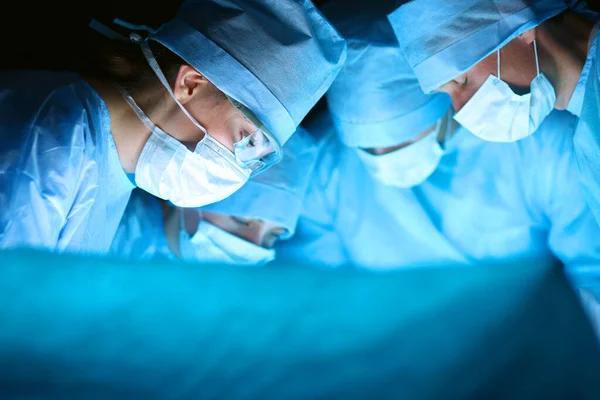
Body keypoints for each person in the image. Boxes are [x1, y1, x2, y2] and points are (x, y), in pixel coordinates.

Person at [276, 6, 600, 308]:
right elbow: (316, 296)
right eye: (367, 149)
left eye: (401, 138)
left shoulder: (546, 146)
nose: (384, 158)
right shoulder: (326, 169)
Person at [0, 0, 346, 254]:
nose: (241, 171)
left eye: (259, 156)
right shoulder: (52, 138)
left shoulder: (107, 170)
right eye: (246, 139)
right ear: (192, 83)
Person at [387, 0, 600, 225]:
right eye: (446, 94)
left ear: (520, 27)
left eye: (461, 79)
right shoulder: (589, 135)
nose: (460, 108)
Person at [110, 128, 319, 266]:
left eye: (272, 236)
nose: (254, 246)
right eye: (241, 220)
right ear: (188, 190)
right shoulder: (114, 231)